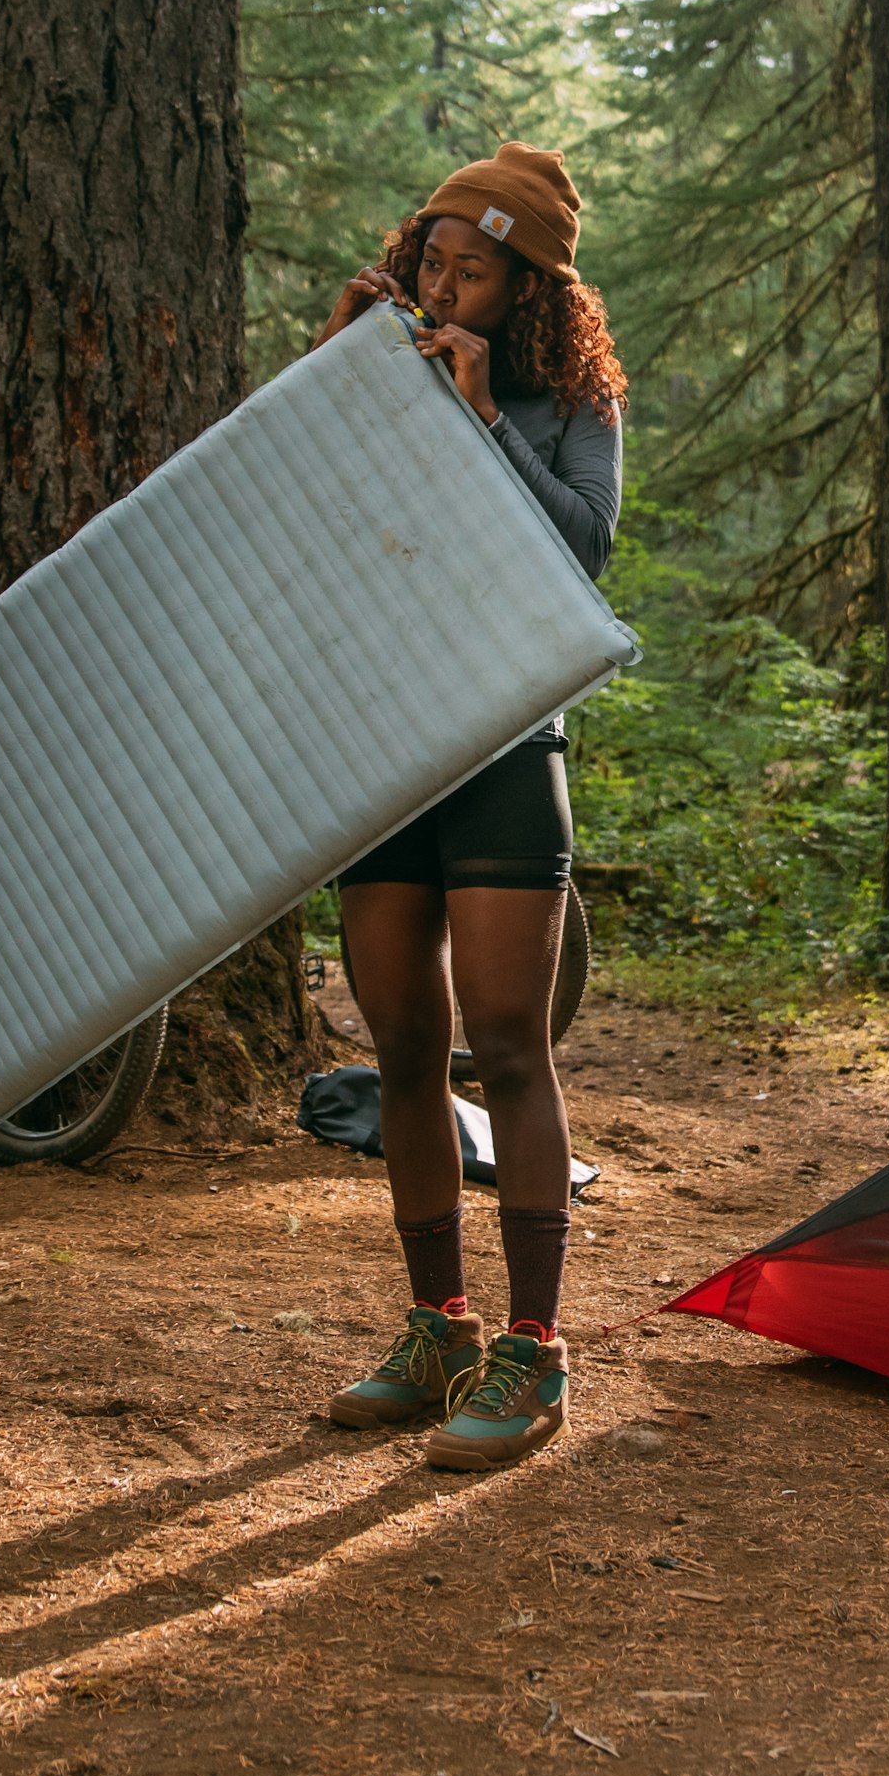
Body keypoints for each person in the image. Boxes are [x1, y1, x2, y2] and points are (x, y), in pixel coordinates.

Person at [310, 142, 625, 1472]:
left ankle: (535, 1350)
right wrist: (332, 381)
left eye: (473, 267)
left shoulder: (572, 401)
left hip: (503, 743)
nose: (443, 280)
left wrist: (487, 411)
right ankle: (438, 1326)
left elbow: (582, 549)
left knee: (505, 1041)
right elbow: (303, 522)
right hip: (383, 744)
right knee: (397, 1043)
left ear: (528, 285)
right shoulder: (380, 374)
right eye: (431, 255)